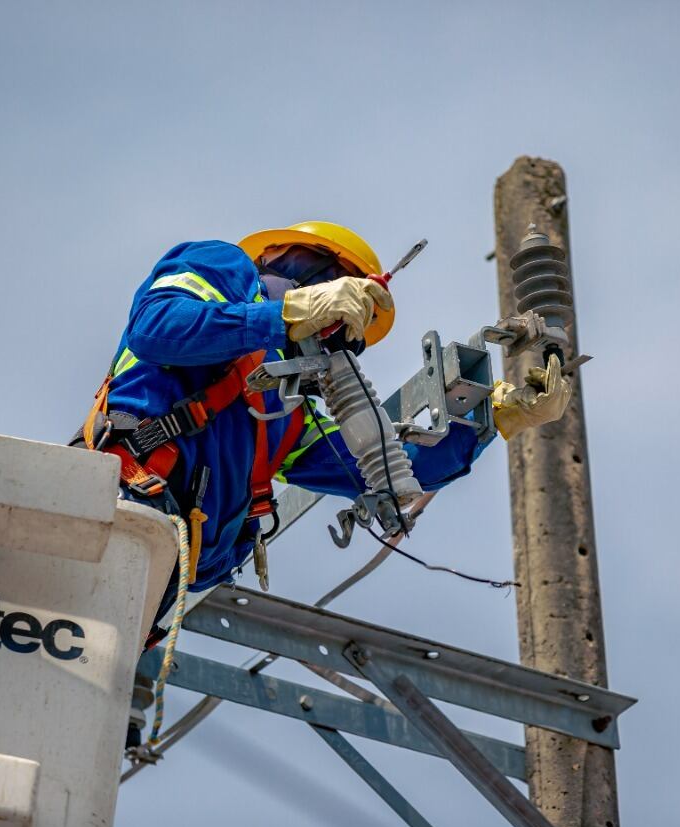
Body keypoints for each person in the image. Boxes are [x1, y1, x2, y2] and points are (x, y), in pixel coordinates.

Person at [77, 221, 572, 649]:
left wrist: (498, 417)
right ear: (283, 258)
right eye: (338, 290)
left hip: (158, 578)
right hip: (113, 507)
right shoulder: (223, 266)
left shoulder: (287, 417)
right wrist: (284, 315)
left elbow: (395, 471)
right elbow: (158, 327)